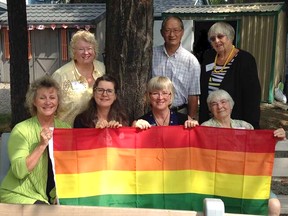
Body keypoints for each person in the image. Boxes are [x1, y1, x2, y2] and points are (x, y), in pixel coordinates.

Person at [201, 89, 284, 216]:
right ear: (210, 109)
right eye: (214, 104)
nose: (220, 106)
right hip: (219, 182)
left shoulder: (246, 126)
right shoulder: (205, 128)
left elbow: (259, 149)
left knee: (274, 205)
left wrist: (276, 137)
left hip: (247, 180)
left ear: (231, 105)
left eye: (223, 102)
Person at [0, 76, 71, 204]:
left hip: (51, 195)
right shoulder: (21, 129)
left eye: (52, 97)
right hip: (20, 193)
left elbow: (68, 168)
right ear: (34, 101)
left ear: (58, 101)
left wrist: (61, 194)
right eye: (42, 98)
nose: (48, 102)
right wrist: (41, 145)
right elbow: (19, 172)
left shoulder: (65, 129)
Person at [199, 21, 261, 129]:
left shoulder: (245, 60)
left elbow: (252, 97)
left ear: (230, 37)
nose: (216, 41)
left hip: (235, 123)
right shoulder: (208, 57)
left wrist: (251, 126)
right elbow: (203, 91)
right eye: (213, 39)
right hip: (210, 121)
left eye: (220, 36)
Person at [52, 30, 105, 126]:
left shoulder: (103, 69)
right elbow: (50, 106)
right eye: (81, 49)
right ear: (73, 52)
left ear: (94, 50)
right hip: (68, 133)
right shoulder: (61, 75)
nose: (86, 52)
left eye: (89, 48)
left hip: (96, 134)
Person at [152, 15, 201, 120]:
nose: (172, 34)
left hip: (180, 113)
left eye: (176, 30)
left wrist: (190, 119)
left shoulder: (191, 61)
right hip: (154, 113)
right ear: (161, 32)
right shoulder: (151, 55)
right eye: (168, 30)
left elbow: (193, 95)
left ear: (182, 32)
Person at [133, 76, 198, 129]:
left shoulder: (185, 120)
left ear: (171, 96)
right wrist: (135, 128)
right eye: (155, 93)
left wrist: (195, 127)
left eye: (164, 93)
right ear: (149, 96)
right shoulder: (139, 123)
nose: (160, 97)